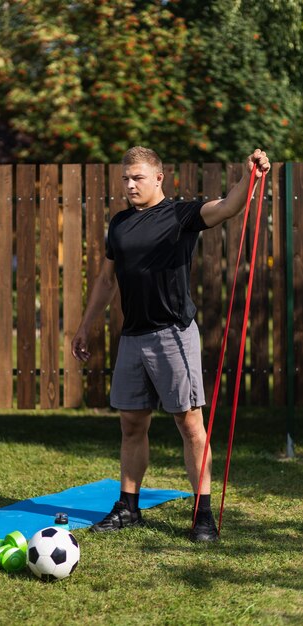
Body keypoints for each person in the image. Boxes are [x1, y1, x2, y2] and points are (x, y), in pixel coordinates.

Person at [71, 146, 270, 541]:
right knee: (131, 424)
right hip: (133, 336)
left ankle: (203, 515)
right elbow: (107, 281)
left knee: (190, 424)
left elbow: (229, 207)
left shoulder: (181, 216)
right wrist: (85, 326)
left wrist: (250, 176)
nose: (130, 184)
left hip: (173, 334)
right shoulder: (120, 224)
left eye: (138, 178)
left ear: (159, 178)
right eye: (125, 178)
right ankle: (128, 507)